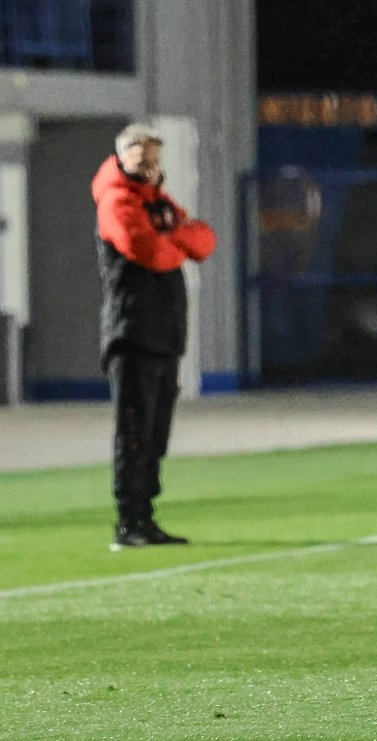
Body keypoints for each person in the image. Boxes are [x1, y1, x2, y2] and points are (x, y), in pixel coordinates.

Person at [93, 123, 217, 550]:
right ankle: (128, 521)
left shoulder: (160, 204)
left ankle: (145, 516)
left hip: (164, 335)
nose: (149, 165)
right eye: (141, 156)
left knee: (155, 433)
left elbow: (205, 241)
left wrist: (174, 237)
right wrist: (178, 240)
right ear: (122, 156)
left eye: (154, 157)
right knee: (133, 432)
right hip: (133, 334)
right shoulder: (117, 201)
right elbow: (150, 252)